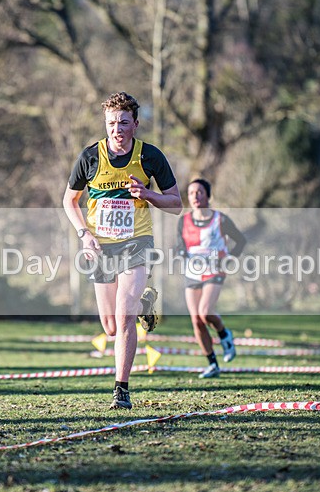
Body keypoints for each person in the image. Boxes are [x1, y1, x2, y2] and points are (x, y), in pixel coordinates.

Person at [63, 91, 181, 410]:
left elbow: (176, 203)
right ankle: (146, 303)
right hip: (101, 247)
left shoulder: (150, 157)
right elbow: (69, 201)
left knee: (123, 317)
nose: (117, 129)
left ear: (135, 125)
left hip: (136, 244)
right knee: (111, 327)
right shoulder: (90, 157)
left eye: (123, 123)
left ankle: (121, 389)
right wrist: (84, 234)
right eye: (111, 122)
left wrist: (148, 194)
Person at [176, 178, 246, 378]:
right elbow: (179, 246)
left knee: (205, 312)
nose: (195, 196)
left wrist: (230, 258)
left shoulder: (220, 220)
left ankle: (224, 333)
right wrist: (181, 254)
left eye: (199, 192)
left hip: (215, 270)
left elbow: (240, 240)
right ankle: (212, 364)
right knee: (197, 320)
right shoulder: (184, 221)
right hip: (193, 272)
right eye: (191, 193)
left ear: (208, 195)